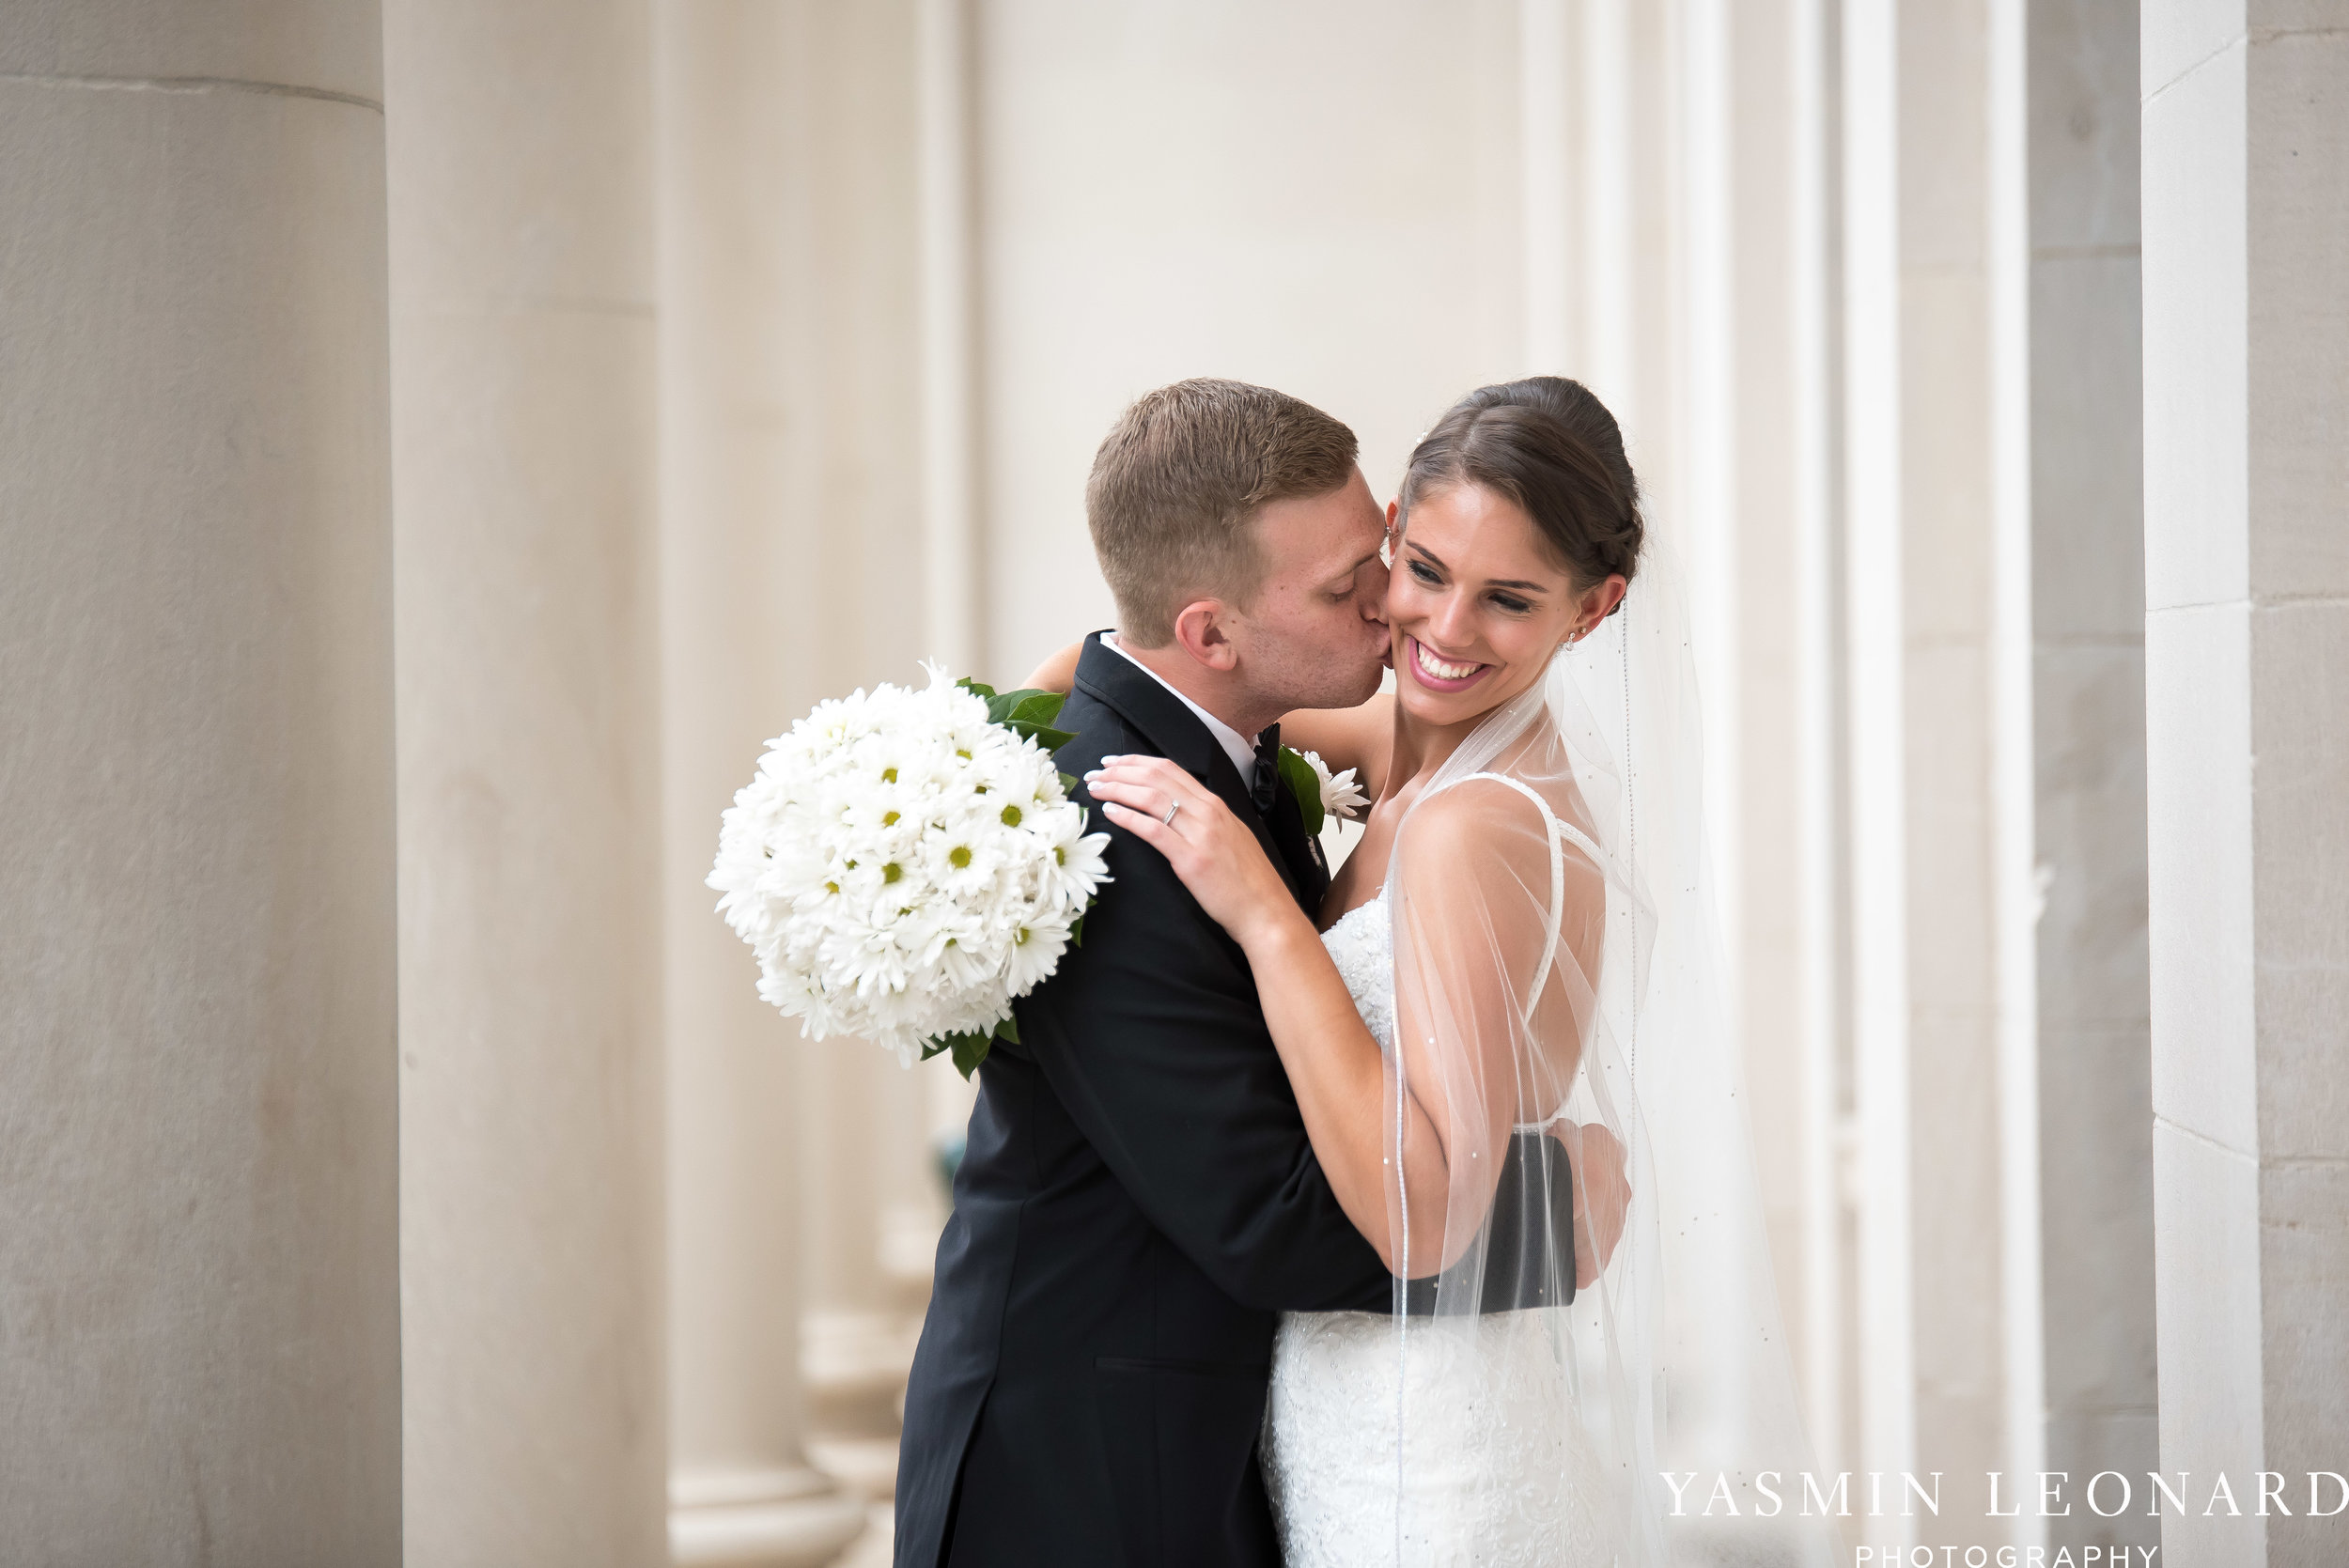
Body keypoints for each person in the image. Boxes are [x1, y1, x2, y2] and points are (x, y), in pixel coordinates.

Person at [1085, 378, 1833, 1567]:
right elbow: (1146, 689)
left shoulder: (1472, 820)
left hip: (1423, 1439)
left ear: (1594, 610)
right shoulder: (1411, 751)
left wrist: (1268, 918)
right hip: (1354, 1395)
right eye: (1423, 570)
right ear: (1387, 530)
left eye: (1510, 600)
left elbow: (1424, 1219)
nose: (1443, 630)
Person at [894, 379, 1404, 1568]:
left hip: (1176, 1448)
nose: (1391, 604)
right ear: (1209, 633)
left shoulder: (1215, 748)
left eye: (1376, 551)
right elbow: (1269, 1219)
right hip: (1077, 1480)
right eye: (1344, 587)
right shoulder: (1111, 832)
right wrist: (1547, 1221)